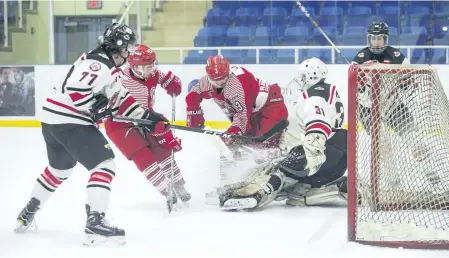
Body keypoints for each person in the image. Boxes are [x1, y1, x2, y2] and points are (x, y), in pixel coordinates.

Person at [14, 23, 165, 246]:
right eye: (128, 47)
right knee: (104, 165)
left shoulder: (108, 67)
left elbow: (121, 100)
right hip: (70, 121)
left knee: (60, 170)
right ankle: (96, 222)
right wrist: (95, 108)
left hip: (53, 121)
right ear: (119, 47)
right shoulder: (99, 63)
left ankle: (27, 212)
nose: (130, 52)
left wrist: (149, 117)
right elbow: (75, 90)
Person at [219, 58, 347, 211]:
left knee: (285, 166)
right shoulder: (328, 92)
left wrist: (314, 145)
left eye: (303, 76)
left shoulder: (314, 94)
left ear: (311, 75)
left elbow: (317, 120)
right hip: (336, 157)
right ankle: (312, 187)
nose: (300, 79)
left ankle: (261, 191)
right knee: (290, 169)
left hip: (322, 151)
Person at [104, 44, 191, 206]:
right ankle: (167, 190)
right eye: (144, 67)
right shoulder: (119, 76)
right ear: (133, 65)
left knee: (163, 151)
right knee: (144, 157)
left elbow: (171, 81)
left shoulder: (153, 73)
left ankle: (179, 186)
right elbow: (101, 93)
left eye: (151, 66)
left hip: (147, 119)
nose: (149, 71)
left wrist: (173, 85)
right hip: (120, 124)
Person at [352, 21, 430, 162]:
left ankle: (429, 170)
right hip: (367, 108)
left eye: (380, 38)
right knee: (383, 146)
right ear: (369, 39)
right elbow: (356, 92)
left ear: (385, 39)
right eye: (373, 38)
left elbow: (409, 87)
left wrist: (406, 84)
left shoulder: (397, 57)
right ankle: (392, 181)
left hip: (391, 103)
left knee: (415, 139)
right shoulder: (360, 59)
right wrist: (361, 84)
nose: (376, 42)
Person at [185, 55, 288, 151]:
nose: (220, 83)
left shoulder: (236, 84)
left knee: (265, 146)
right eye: (215, 81)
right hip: (251, 112)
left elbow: (242, 114)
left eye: (223, 78)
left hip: (270, 105)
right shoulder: (206, 82)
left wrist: (233, 132)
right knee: (249, 145)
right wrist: (193, 114)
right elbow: (192, 96)